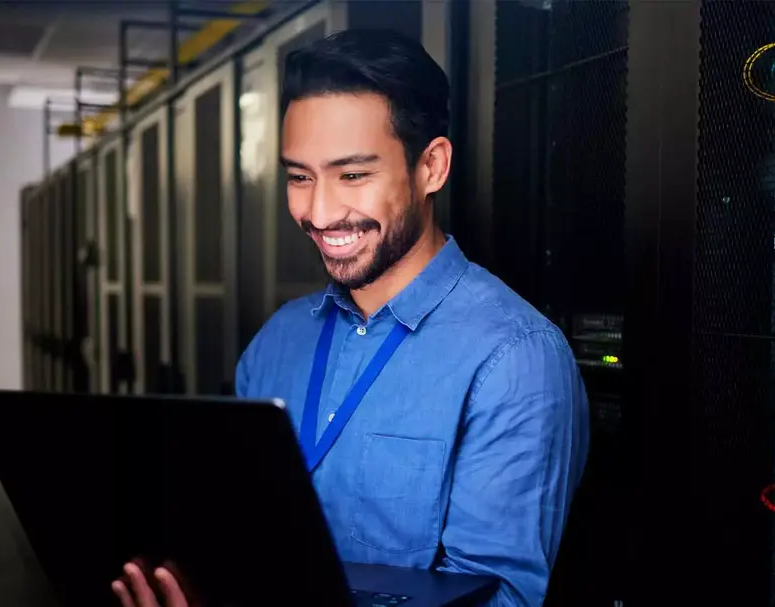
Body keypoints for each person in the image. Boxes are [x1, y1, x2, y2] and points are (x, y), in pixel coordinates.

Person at [113, 29, 589, 607]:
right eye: (299, 176)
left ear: (431, 167)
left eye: (353, 175)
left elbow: (496, 601)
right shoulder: (277, 342)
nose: (318, 211)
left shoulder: (514, 359)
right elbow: (235, 544)